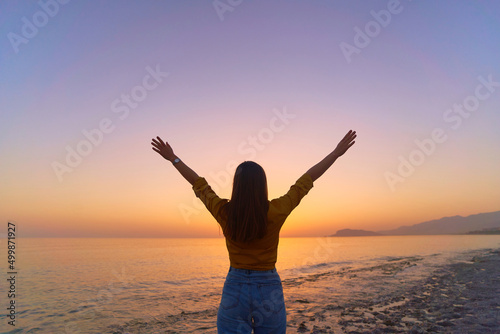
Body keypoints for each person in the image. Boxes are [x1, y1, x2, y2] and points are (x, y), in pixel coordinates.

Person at [151, 130, 356, 333]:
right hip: (268, 288)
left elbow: (199, 185)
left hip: (235, 288)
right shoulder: (276, 210)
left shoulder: (224, 212)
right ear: (262, 185)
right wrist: (335, 153)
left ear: (236, 186)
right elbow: (306, 181)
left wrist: (173, 159)